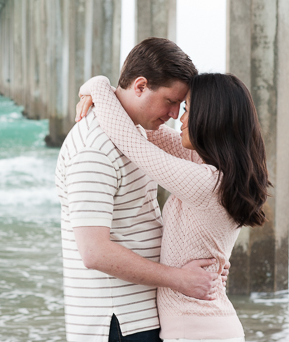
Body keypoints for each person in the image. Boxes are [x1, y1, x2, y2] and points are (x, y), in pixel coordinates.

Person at [55, 38, 227, 342]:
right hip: (117, 319)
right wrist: (180, 279)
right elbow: (95, 252)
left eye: (181, 105)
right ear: (140, 86)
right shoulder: (94, 149)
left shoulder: (137, 131)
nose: (176, 114)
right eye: (171, 101)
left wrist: (210, 263)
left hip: (142, 314)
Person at [76, 71, 269, 342]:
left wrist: (97, 85)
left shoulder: (205, 182)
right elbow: (143, 129)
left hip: (196, 332)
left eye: (188, 109)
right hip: (207, 326)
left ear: (211, 119)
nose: (180, 117)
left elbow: (131, 142)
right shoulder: (209, 167)